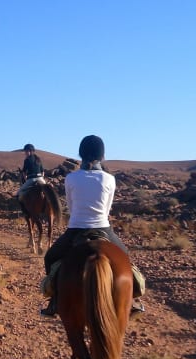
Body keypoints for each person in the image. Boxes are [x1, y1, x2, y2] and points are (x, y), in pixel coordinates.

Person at [41, 134, 145, 316]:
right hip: (103, 228)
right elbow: (107, 209)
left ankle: (55, 300)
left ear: (81, 154)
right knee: (126, 260)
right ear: (102, 155)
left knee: (50, 258)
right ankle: (133, 300)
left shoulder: (71, 178)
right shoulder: (109, 179)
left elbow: (71, 207)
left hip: (76, 229)